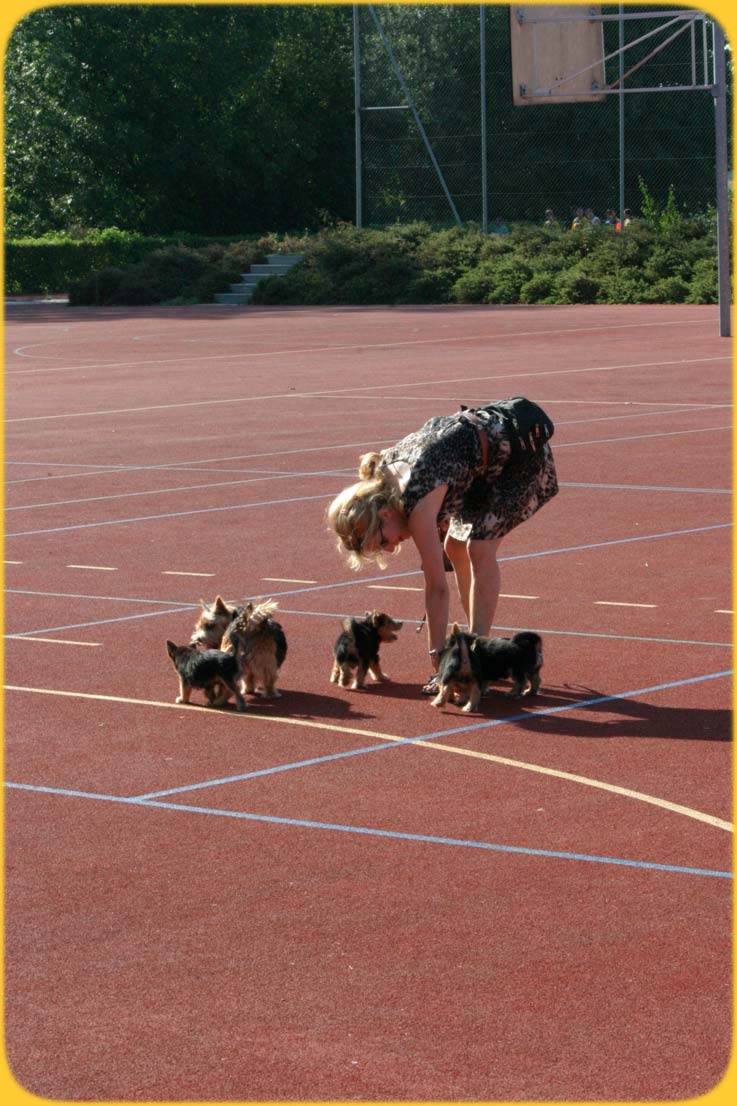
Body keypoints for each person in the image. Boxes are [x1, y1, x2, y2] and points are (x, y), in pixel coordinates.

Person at [327, 399, 559, 696]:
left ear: (384, 514)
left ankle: (476, 655)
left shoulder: (417, 506)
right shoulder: (385, 480)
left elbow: (436, 589)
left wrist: (438, 658)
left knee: (479, 548)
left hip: (515, 453)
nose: (389, 549)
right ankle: (475, 643)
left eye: (383, 541)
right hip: (478, 465)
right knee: (455, 547)